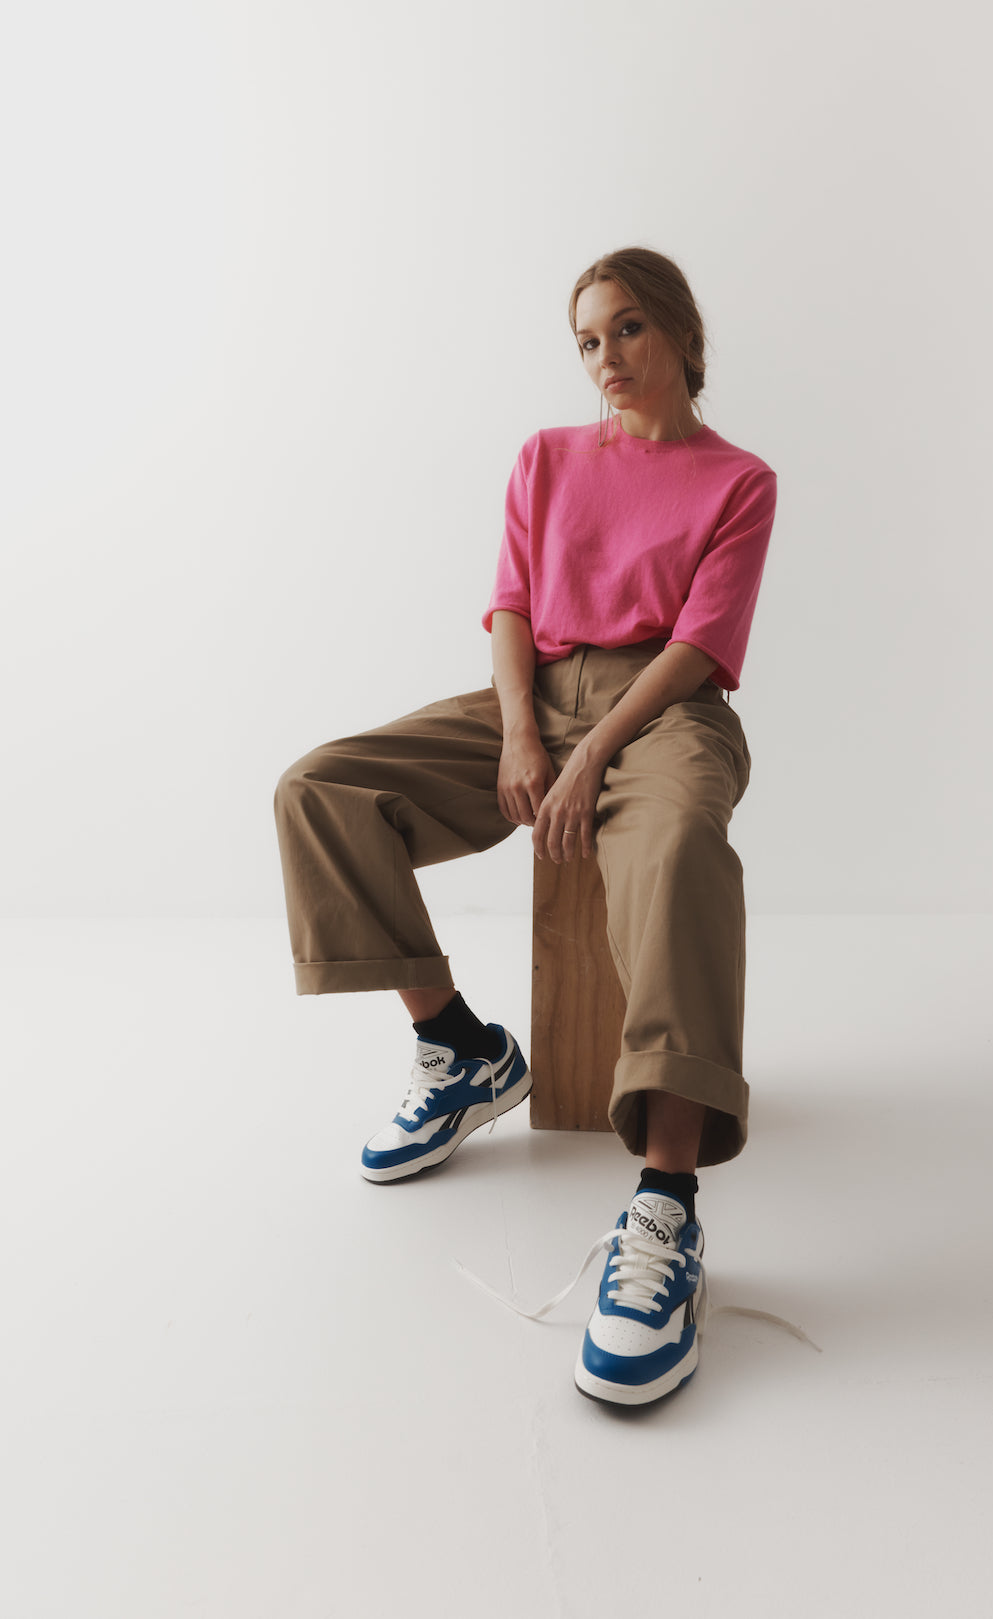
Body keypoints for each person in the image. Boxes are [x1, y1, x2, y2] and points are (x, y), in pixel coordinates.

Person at [273, 246, 790, 1406]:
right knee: (322, 787)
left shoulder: (739, 480)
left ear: (678, 332)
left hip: (668, 713)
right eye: (587, 342)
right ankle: (460, 1046)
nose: (605, 359)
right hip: (537, 694)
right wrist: (523, 734)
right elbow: (511, 604)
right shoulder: (548, 459)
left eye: (626, 332)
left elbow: (700, 646)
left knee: (676, 849)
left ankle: (667, 1203)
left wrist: (596, 751)